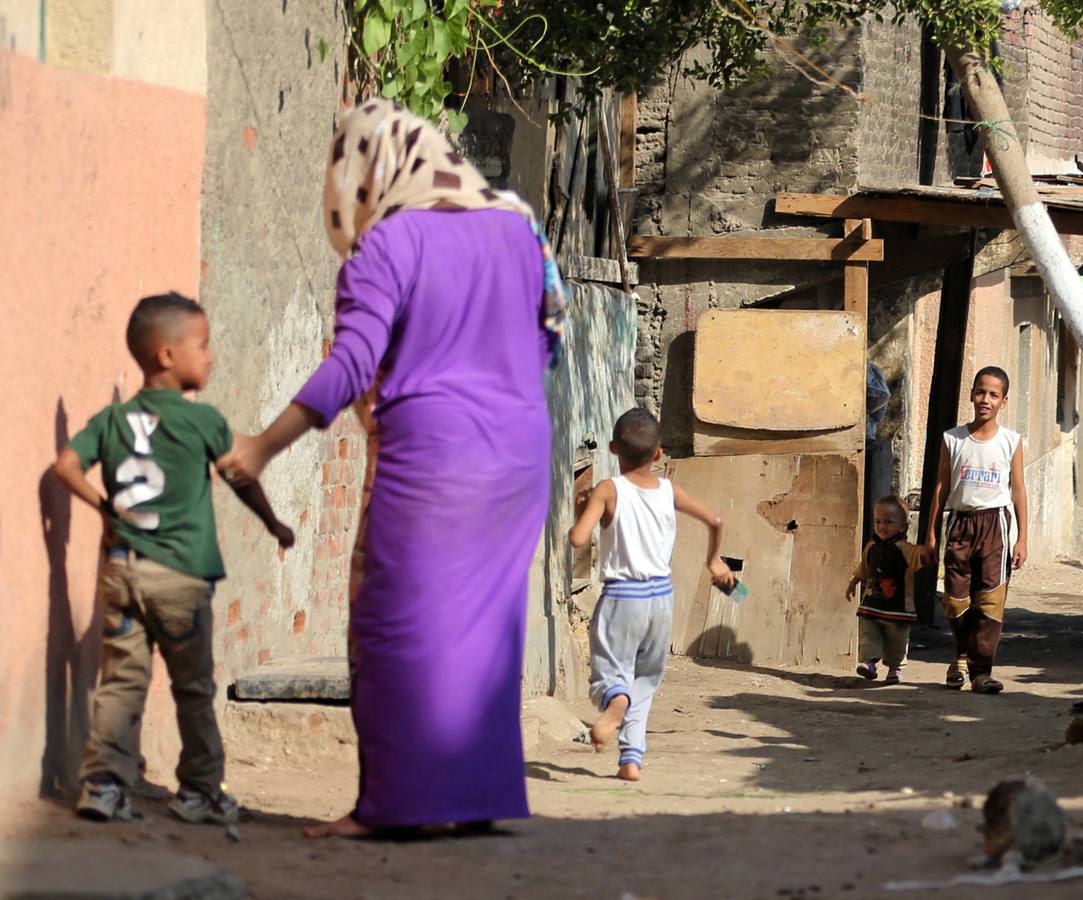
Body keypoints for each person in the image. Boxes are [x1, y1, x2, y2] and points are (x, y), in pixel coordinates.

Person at [215, 98, 567, 838]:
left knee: (393, 622)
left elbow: (350, 363)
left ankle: (395, 807)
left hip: (435, 453)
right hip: (521, 449)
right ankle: (474, 800)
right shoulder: (518, 225)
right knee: (486, 630)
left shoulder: (388, 245)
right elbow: (547, 336)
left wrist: (260, 446)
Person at [53, 292, 293, 825]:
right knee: (192, 686)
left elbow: (66, 465)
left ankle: (102, 786)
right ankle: (200, 791)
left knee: (119, 682)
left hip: (122, 571)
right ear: (166, 355)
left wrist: (104, 509)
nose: (210, 356)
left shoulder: (111, 420)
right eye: (202, 345)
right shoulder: (201, 421)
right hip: (181, 579)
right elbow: (239, 475)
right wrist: (273, 523)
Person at [569, 409, 733, 781]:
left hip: (621, 596)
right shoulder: (669, 490)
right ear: (659, 453)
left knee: (611, 673)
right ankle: (631, 759)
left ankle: (614, 703)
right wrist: (713, 561)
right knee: (645, 678)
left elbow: (579, 538)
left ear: (613, 448)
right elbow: (716, 520)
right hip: (661, 597)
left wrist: (582, 511)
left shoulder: (609, 489)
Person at [924, 366, 1028, 695]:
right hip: (961, 522)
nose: (985, 400)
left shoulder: (1011, 441)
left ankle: (981, 671)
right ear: (971, 394)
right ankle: (961, 653)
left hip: (995, 523)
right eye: (980, 392)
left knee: (991, 600)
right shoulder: (953, 439)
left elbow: (1019, 490)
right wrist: (931, 531)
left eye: (993, 395)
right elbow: (941, 486)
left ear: (1004, 401)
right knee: (955, 600)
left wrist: (1023, 537)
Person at [844, 494, 926, 685]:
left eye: (888, 522)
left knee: (897, 642)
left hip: (898, 608)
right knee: (868, 633)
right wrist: (853, 583)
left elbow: (920, 558)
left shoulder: (906, 549)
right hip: (871, 604)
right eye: (878, 521)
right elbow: (863, 568)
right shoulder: (872, 546)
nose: (882, 526)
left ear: (903, 526)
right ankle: (869, 662)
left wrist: (928, 550)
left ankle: (894, 668)